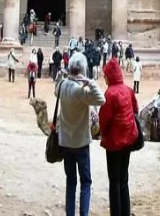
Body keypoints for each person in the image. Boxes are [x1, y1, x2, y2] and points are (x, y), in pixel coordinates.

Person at [56, 52, 106, 216]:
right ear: (83, 70)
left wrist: (61, 76)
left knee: (71, 182)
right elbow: (101, 100)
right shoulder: (80, 92)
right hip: (81, 143)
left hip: (65, 142)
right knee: (86, 181)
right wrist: (90, 82)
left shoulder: (63, 86)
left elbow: (56, 90)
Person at [99, 59, 140, 216]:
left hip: (114, 142)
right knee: (124, 179)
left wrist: (103, 133)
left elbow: (104, 119)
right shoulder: (128, 90)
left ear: (109, 75)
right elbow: (135, 109)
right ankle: (125, 211)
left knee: (114, 182)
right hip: (129, 139)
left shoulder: (109, 94)